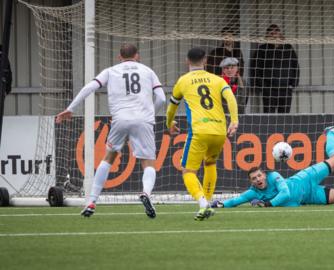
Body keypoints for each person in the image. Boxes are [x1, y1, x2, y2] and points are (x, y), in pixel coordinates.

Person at [55, 44, 166, 218]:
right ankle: (146, 193)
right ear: (137, 56)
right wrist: (151, 114)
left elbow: (89, 88)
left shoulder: (110, 71)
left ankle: (92, 201)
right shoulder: (147, 71)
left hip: (120, 119)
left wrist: (71, 108)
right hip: (143, 120)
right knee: (148, 162)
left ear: (119, 57)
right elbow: (161, 98)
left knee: (108, 158)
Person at [211, 123, 334, 208]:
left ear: (264, 174)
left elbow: (285, 193)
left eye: (259, 176)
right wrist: (221, 204)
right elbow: (237, 200)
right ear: (252, 182)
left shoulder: (274, 176)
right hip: (309, 196)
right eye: (254, 179)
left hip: (305, 178)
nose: (258, 179)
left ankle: (331, 133)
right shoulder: (253, 192)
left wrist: (268, 204)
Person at [166, 47, 239, 221]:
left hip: (199, 131)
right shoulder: (217, 79)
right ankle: (207, 200)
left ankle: (202, 203)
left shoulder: (183, 81)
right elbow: (230, 98)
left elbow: (172, 108)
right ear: (205, 61)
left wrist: (169, 123)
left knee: (187, 170)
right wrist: (234, 121)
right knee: (210, 163)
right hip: (219, 131)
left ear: (186, 61)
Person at [250, 24, 299, 113]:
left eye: (276, 32)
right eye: (271, 33)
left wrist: (293, 84)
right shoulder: (262, 49)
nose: (274, 34)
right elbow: (255, 68)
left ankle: (283, 128)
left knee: (284, 116)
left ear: (280, 33)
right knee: (269, 116)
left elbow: (295, 66)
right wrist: (262, 85)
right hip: (269, 90)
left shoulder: (288, 48)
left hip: (285, 89)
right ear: (267, 35)